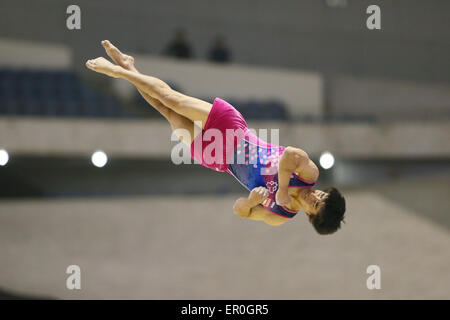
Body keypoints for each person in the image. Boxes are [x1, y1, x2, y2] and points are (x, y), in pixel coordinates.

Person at [85, 40, 346, 234]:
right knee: (172, 99)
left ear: (311, 217)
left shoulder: (280, 215)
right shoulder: (308, 175)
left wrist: (251, 201)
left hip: (218, 159)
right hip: (233, 131)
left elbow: (240, 211)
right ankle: (118, 72)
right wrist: (281, 192)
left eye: (317, 205)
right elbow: (290, 154)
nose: (315, 197)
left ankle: (130, 67)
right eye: (322, 196)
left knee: (165, 111)